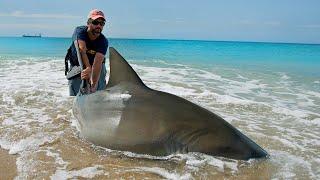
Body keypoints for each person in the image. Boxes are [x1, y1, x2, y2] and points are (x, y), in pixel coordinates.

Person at [67, 9, 108, 96]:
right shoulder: (80, 31)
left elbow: (98, 62)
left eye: (102, 24)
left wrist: (93, 85)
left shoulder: (103, 41)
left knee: (97, 93)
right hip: (77, 63)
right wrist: (88, 67)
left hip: (96, 64)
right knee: (75, 96)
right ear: (88, 23)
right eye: (95, 22)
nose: (99, 26)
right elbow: (82, 49)